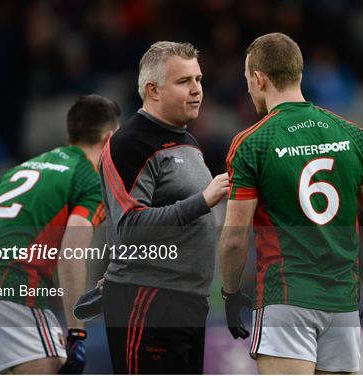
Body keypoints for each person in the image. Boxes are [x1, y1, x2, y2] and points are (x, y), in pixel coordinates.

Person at [219, 33, 363, 374]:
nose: (247, 88)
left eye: (247, 80)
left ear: (259, 78)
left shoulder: (253, 143)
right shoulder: (352, 134)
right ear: (298, 74)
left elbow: (233, 238)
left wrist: (230, 293)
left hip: (285, 299)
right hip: (343, 304)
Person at [0, 95, 120, 374]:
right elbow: (71, 253)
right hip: (13, 294)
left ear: (71, 133)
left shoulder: (20, 170)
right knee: (56, 365)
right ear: (109, 138)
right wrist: (76, 334)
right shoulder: (89, 178)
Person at [99, 41, 229, 374]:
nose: (197, 90)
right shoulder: (129, 142)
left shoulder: (187, 139)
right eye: (184, 82)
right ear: (152, 90)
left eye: (199, 80)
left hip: (188, 301)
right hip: (147, 299)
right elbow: (128, 228)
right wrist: (202, 201)